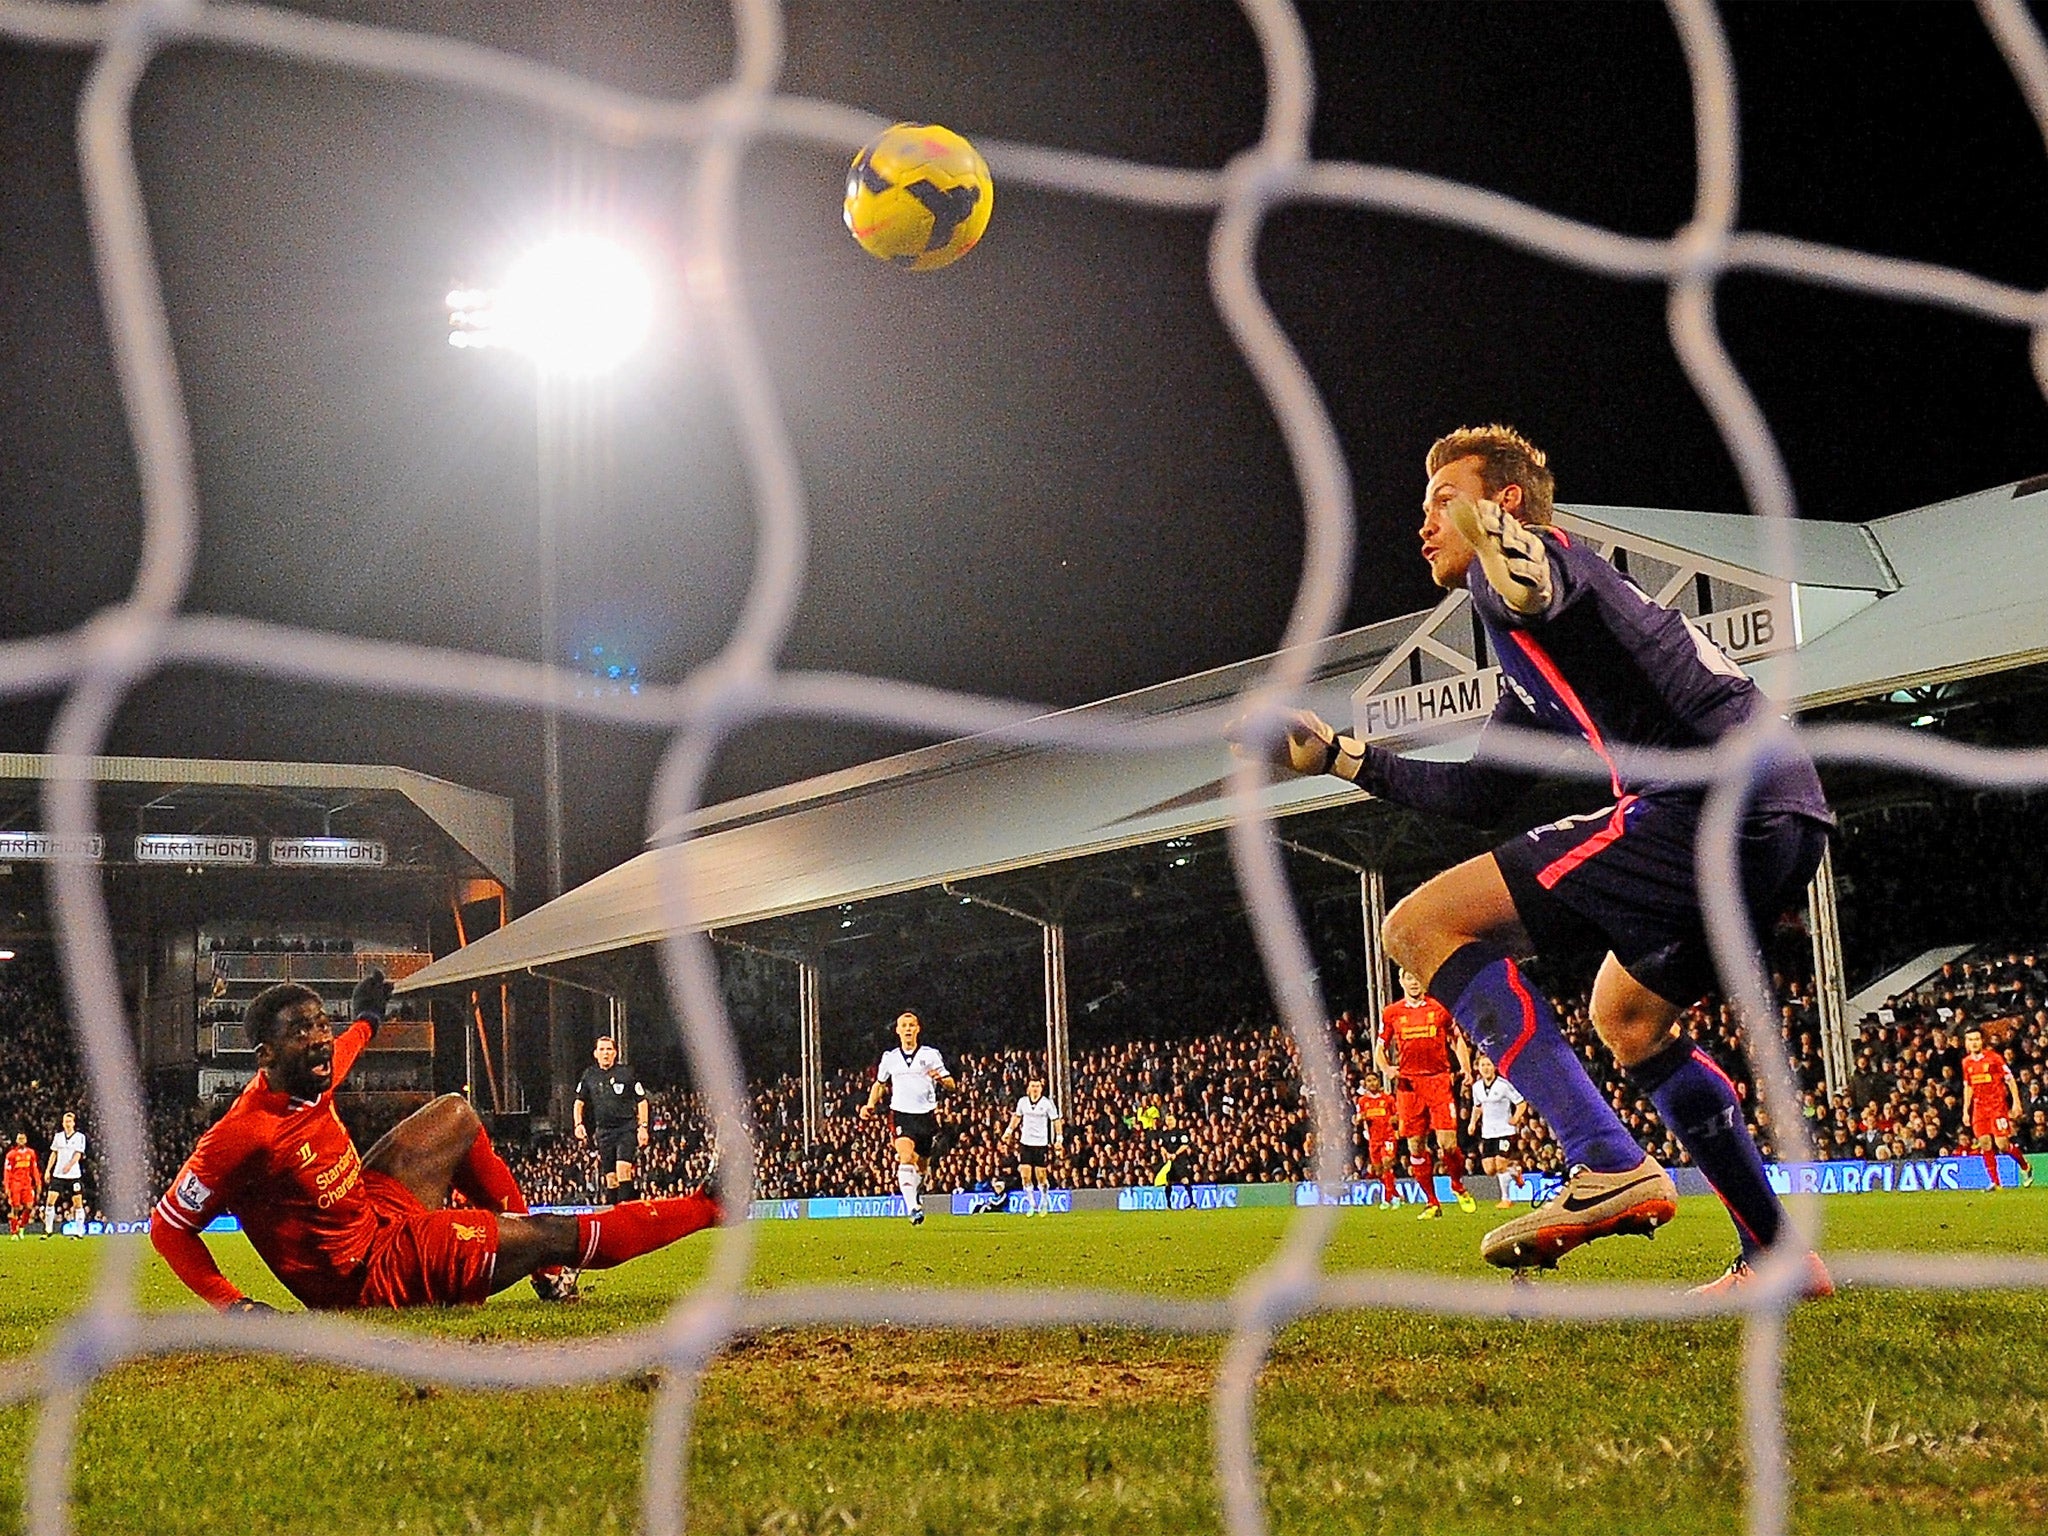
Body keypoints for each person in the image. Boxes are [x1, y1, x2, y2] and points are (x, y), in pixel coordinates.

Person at [1251, 424, 1835, 1294]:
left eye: (1443, 501)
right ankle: (1782, 1258)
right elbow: (1479, 795)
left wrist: (1508, 557)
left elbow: (1538, 581)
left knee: (1419, 924)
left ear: (1504, 503)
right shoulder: (1539, 654)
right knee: (1628, 1017)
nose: (1424, 523)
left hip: (1719, 801)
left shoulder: (1529, 574)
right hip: (1782, 814)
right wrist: (1341, 754)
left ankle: (1605, 1160)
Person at [151, 972, 719, 1313]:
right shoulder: (242, 1135)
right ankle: (711, 1207)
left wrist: (367, 1016)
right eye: (301, 1032)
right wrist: (236, 1307)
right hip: (369, 1276)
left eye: (320, 1023)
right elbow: (168, 1228)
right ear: (265, 1057)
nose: (320, 1039)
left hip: (372, 1215)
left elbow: (346, 1046)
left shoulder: (310, 1078)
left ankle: (544, 1277)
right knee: (549, 1234)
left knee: (454, 1112)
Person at [1375, 968, 1476, 1220]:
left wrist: (1465, 1067)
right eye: (1409, 978)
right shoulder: (1392, 1012)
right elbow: (1380, 1048)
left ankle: (1457, 1185)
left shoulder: (1440, 1008)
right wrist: (1387, 1068)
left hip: (1438, 1081)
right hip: (1409, 1086)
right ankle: (1432, 1202)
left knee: (1448, 1144)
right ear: (1401, 981)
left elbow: (1457, 1039)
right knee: (1416, 1146)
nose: (1414, 983)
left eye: (1417, 978)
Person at [859, 1011, 953, 1225]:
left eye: (912, 1025)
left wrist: (941, 1079)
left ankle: (915, 1193)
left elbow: (951, 1084)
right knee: (905, 1156)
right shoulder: (890, 1058)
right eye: (904, 1025)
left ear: (918, 1029)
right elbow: (880, 1084)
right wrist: (870, 1104)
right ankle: (912, 1207)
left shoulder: (930, 1055)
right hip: (901, 1114)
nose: (908, 1028)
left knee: (921, 1166)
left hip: (926, 1116)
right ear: (898, 1030)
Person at [573, 1036, 649, 1204]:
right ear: (595, 1053)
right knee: (611, 1179)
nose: (605, 1053)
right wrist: (578, 1124)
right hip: (604, 1132)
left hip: (626, 1128)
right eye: (602, 1049)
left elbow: (642, 1100)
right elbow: (579, 1102)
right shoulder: (589, 1075)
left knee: (623, 1170)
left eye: (609, 1049)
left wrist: (643, 1127)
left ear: (615, 1053)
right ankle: (614, 1215)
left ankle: (626, 1216)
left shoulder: (626, 1072)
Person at [1960, 1023, 2030, 1189]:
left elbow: (2010, 1080)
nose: (1974, 1043)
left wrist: (2016, 1103)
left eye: (1977, 1039)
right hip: (1979, 1108)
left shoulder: (1994, 1058)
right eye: (1970, 1040)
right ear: (1966, 1042)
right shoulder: (1966, 1062)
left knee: (2002, 1145)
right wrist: (1965, 1110)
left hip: (1997, 1106)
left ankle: (2025, 1165)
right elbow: (1968, 1086)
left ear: (1982, 1040)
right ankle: (1995, 1182)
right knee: (1984, 1143)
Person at [1468, 1053, 1528, 1208]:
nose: (1486, 1068)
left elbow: (1521, 1103)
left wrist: (1515, 1118)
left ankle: (1506, 1199)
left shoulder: (1504, 1085)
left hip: (1505, 1130)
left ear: (1494, 1067)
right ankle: (1515, 1172)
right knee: (1489, 1169)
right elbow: (1477, 1106)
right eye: (1483, 1065)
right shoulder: (1477, 1087)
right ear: (1478, 1068)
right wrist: (1472, 1123)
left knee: (1501, 1165)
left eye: (1488, 1065)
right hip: (1488, 1132)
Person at [1001, 1075, 1062, 1215]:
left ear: (1041, 1089)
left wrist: (1059, 1138)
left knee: (1041, 1176)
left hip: (1040, 1144)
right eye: (1033, 1086)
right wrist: (1009, 1131)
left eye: (1037, 1086)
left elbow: (1056, 1120)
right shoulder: (1023, 1102)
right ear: (1028, 1089)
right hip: (1025, 1143)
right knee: (1025, 1175)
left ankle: (1044, 1200)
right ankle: (1032, 1204)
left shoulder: (1047, 1103)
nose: (1035, 1089)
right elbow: (1016, 1117)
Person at [1354, 1071, 1401, 1207]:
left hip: (1388, 1137)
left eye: (1374, 1080)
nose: (1371, 1083)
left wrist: (1395, 1119)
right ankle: (1394, 1194)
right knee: (1379, 1170)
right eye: (1368, 1081)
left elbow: (1397, 1115)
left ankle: (1388, 1199)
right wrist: (1360, 1119)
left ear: (1378, 1081)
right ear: (1366, 1084)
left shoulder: (1388, 1099)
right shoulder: (1362, 1101)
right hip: (1373, 1140)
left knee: (1387, 1163)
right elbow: (1358, 1118)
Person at [45, 1111, 86, 1239]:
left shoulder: (80, 1137)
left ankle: (79, 1232)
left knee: (78, 1203)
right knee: (50, 1201)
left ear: (73, 1123)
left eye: (69, 1121)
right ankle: (48, 1230)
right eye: (65, 1121)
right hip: (58, 1174)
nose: (67, 1124)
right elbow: (54, 1154)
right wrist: (48, 1170)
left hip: (74, 1175)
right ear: (62, 1123)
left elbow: (78, 1154)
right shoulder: (58, 1137)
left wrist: (70, 1165)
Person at [4, 1132, 41, 1238]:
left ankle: (21, 1226)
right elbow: (7, 1172)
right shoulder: (11, 1154)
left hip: (27, 1183)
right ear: (16, 1140)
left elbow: (34, 1169)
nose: (21, 1140)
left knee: (29, 1207)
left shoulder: (31, 1153)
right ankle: (14, 1232)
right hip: (15, 1183)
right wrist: (7, 1186)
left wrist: (38, 1182)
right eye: (19, 1139)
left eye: (23, 1138)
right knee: (15, 1207)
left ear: (26, 1140)